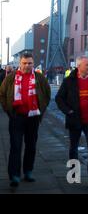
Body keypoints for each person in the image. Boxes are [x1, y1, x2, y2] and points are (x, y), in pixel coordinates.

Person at [0, 53, 51, 188]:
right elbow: (3, 94)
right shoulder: (11, 78)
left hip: (33, 117)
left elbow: (47, 94)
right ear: (20, 64)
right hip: (16, 117)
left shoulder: (39, 78)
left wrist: (42, 108)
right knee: (15, 146)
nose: (27, 66)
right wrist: (8, 111)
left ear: (33, 64)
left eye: (30, 63)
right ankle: (14, 175)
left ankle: (28, 171)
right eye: (24, 63)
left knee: (31, 146)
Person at [55, 56, 88, 187]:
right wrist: (68, 111)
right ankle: (74, 174)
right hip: (75, 121)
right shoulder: (69, 81)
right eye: (87, 65)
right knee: (73, 148)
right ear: (79, 66)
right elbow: (59, 98)